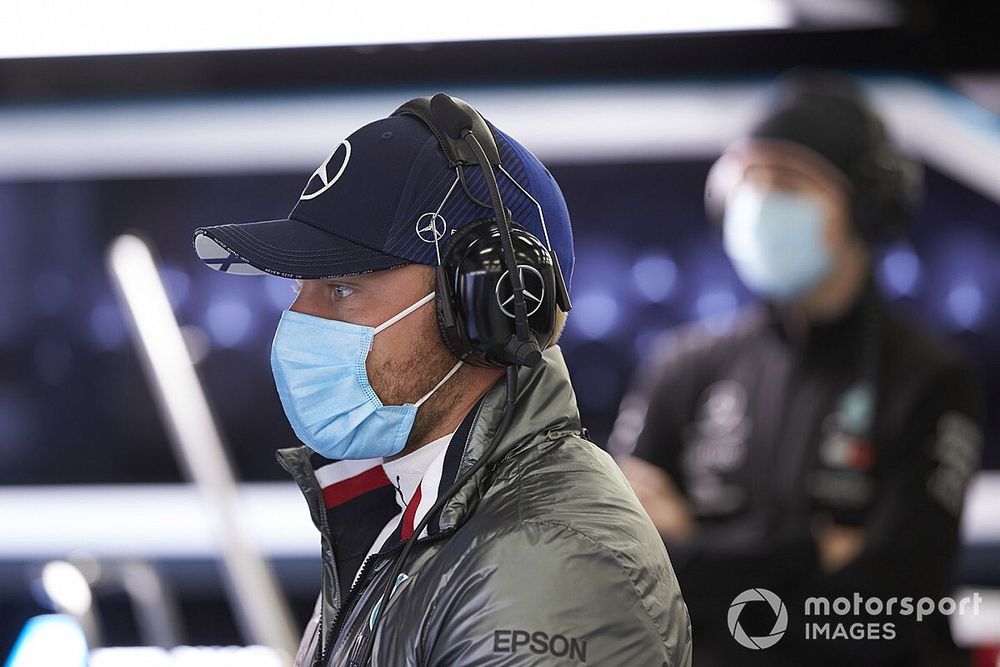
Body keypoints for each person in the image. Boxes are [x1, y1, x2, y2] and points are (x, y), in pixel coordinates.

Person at [194, 94, 691, 666]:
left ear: (487, 305)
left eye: (341, 289)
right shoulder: (410, 518)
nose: (298, 324)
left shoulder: (546, 561)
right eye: (296, 290)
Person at [610, 74, 982, 666]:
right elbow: (621, 572)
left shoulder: (929, 379)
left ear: (864, 207)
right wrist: (814, 553)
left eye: (787, 182)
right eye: (748, 181)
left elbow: (890, 605)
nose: (759, 204)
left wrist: (694, 548)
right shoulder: (685, 366)